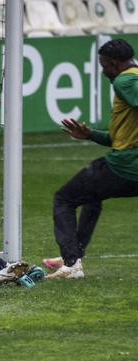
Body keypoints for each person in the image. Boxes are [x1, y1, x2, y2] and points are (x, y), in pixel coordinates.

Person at [44, 39, 138, 279]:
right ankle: (74, 254)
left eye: (104, 65)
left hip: (126, 167)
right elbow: (120, 138)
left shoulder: (124, 80)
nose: (102, 70)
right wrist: (89, 135)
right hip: (128, 164)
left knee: (64, 199)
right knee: (91, 195)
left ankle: (71, 263)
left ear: (114, 64)